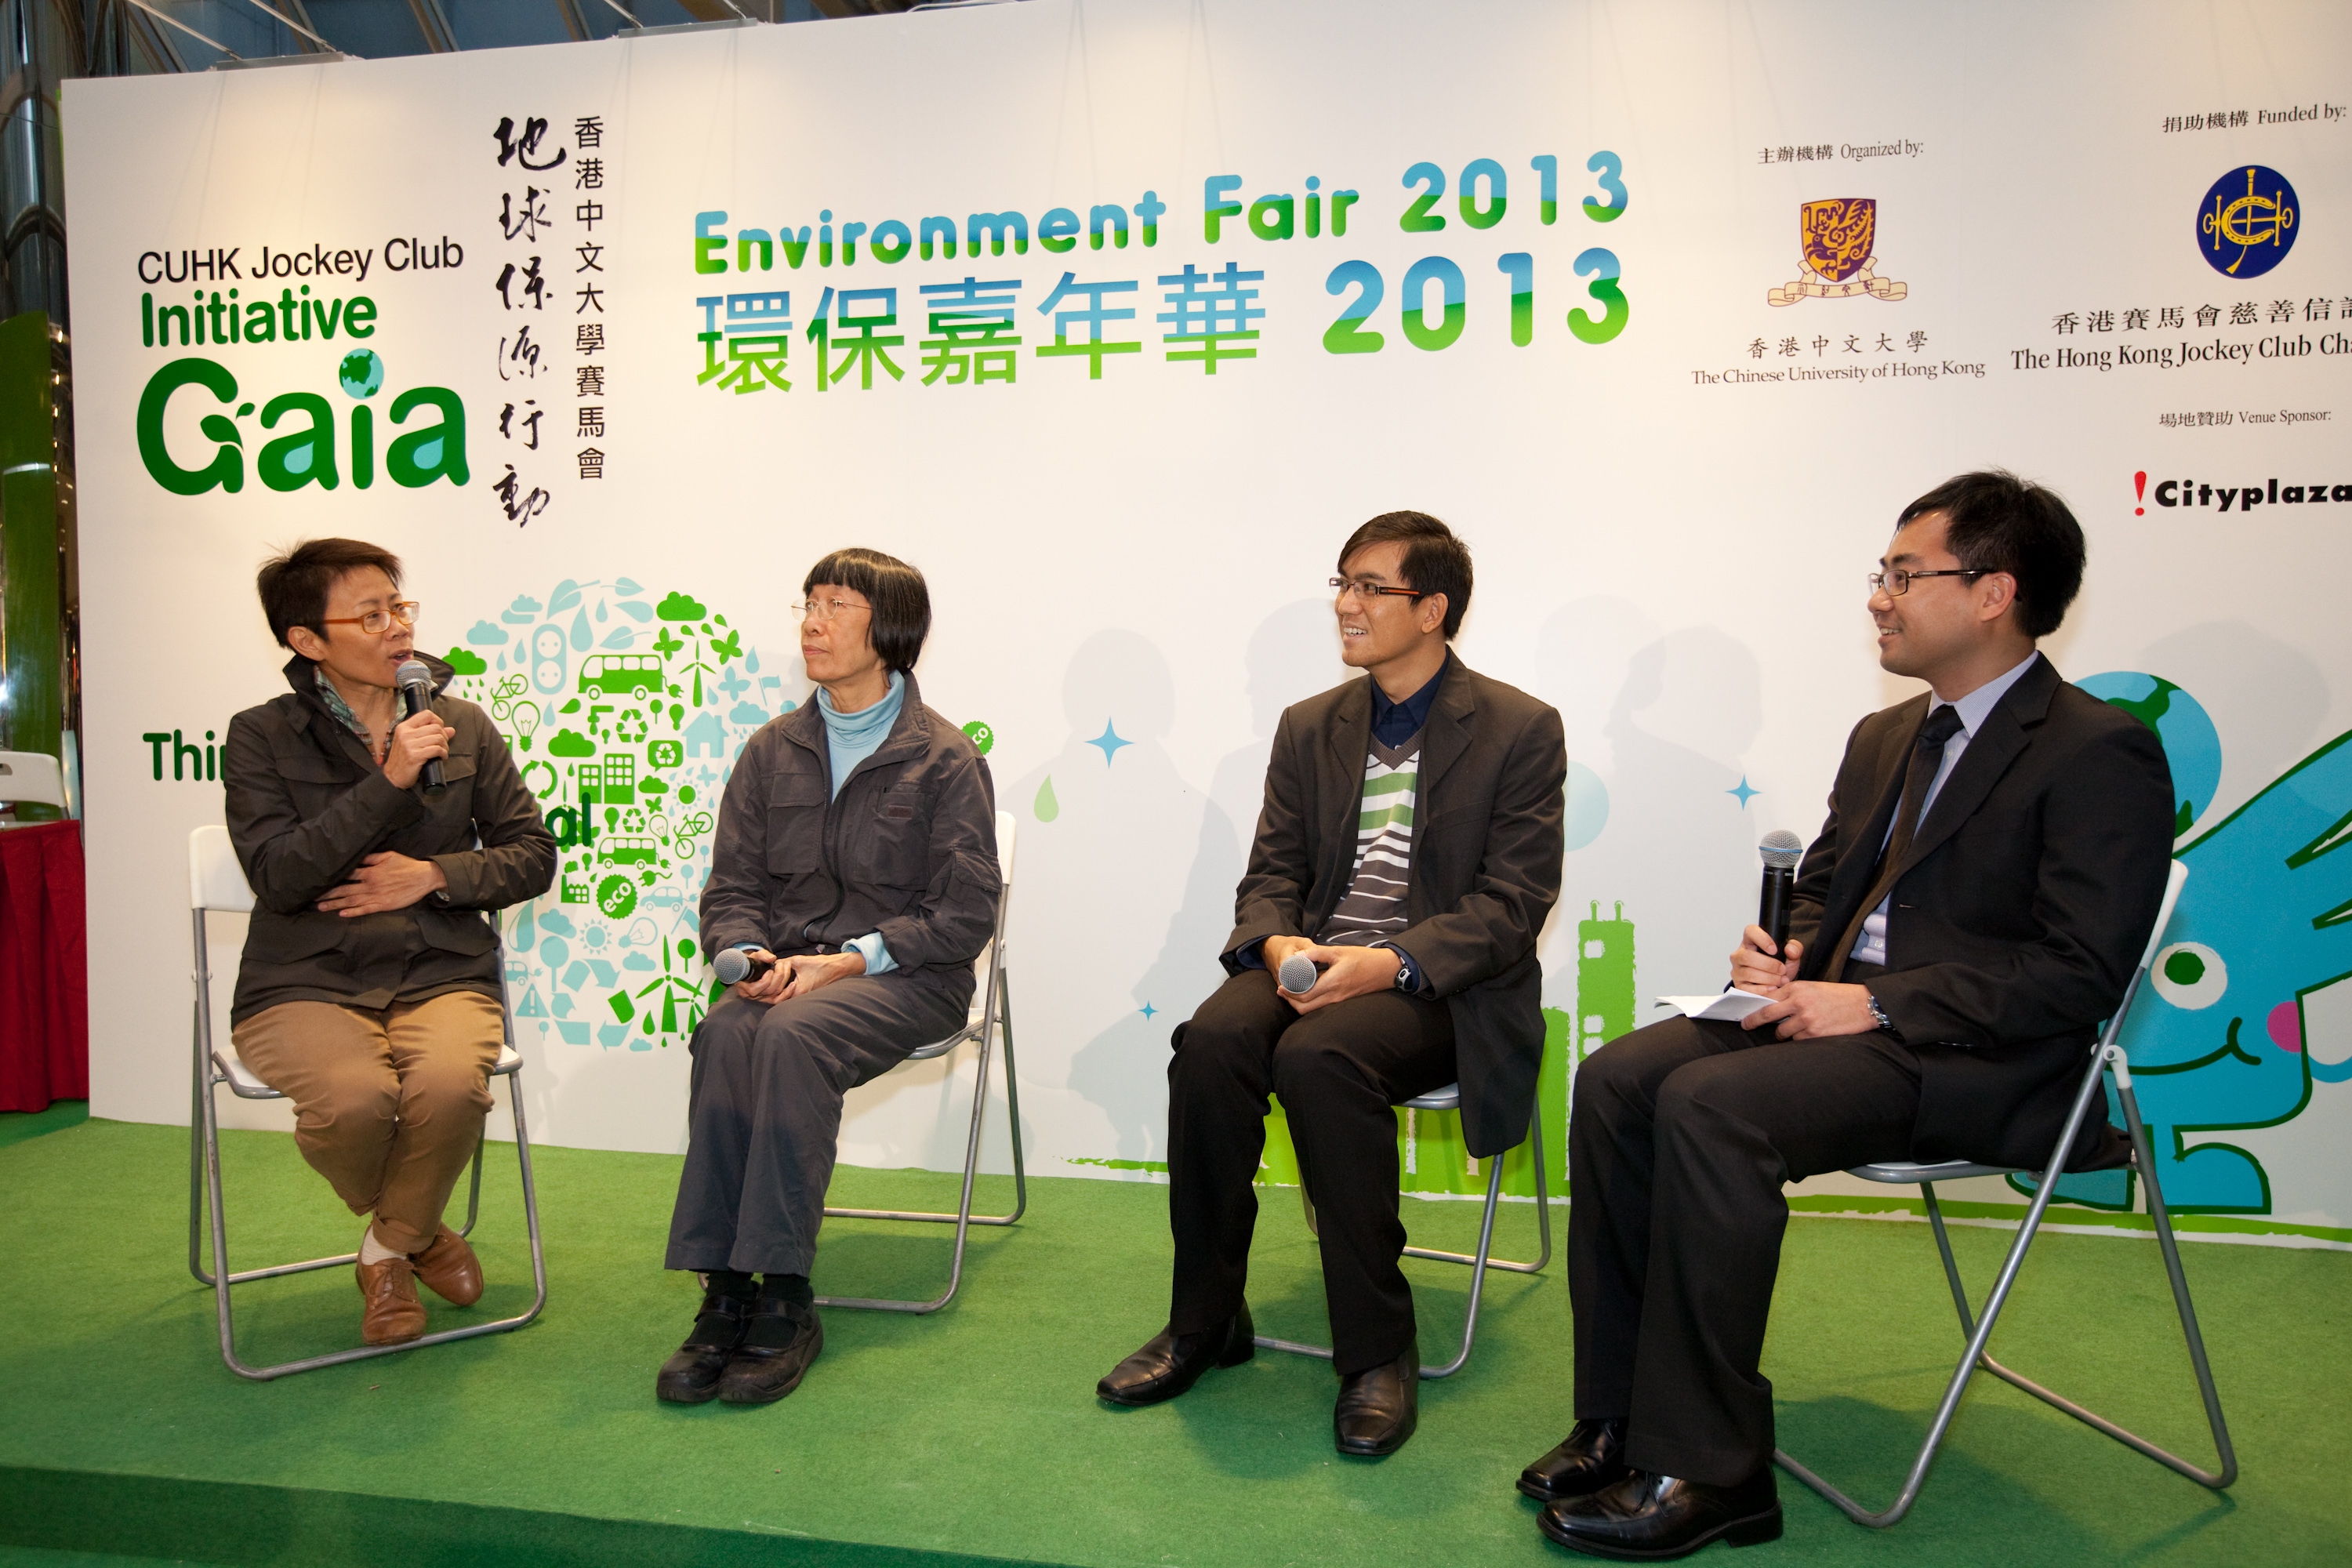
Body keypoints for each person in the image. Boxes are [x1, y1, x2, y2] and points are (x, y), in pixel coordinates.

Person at [1526, 473, 2176, 1559]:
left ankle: (1716, 1469)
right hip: (1841, 1027)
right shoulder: (1885, 737)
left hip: (1977, 1060)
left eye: (1904, 573)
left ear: (1991, 593)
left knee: (1710, 1105)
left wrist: (1874, 1002)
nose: (1879, 596)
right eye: (1882, 572)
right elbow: (1827, 894)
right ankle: (1624, 1419)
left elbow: (2077, 973)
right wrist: (1782, 956)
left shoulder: (2094, 748)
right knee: (1618, 1079)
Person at [1098, 510, 1567, 1457]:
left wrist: (1388, 963)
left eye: (1371, 588)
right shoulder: (1312, 724)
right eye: (1342, 584)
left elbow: (1511, 904)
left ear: (1433, 609)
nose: (1346, 605)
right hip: (1310, 960)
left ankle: (1376, 1349)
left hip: (1436, 989)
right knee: (1212, 1041)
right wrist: (1275, 946)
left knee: (1319, 1057)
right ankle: (1205, 1319)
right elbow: (1272, 868)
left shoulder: (1520, 727)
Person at [658, 547, 1000, 1406]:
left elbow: (963, 915)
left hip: (908, 974)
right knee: (730, 1027)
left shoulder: (944, 758)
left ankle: (782, 1293)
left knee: (792, 1034)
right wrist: (749, 957)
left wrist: (852, 958)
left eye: (837, 605)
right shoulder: (771, 750)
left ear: (889, 630)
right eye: (809, 602)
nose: (812, 622)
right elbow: (731, 890)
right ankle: (723, 1291)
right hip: (790, 978)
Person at [223, 539, 555, 1347]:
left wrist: (433, 875)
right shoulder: (261, 736)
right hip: (303, 976)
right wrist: (389, 782)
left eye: (399, 607)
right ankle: (424, 1231)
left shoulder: (461, 724)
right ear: (308, 640)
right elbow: (278, 874)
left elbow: (531, 853)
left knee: (448, 1085)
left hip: (440, 969)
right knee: (353, 1099)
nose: (396, 627)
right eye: (369, 614)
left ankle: (383, 1250)